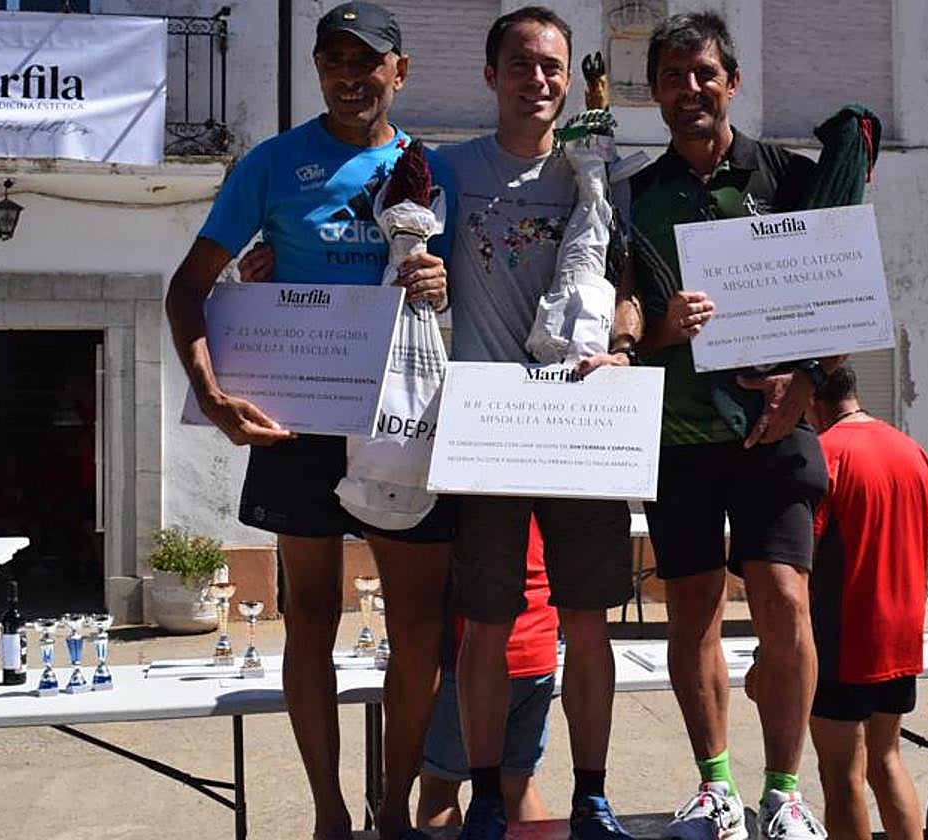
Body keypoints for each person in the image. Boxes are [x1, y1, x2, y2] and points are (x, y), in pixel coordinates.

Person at [165, 5, 456, 839]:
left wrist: (448, 289)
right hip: (300, 419)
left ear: (399, 72)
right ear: (318, 70)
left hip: (405, 421)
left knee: (417, 623)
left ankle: (394, 810)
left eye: (368, 61)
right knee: (314, 618)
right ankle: (330, 813)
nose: (349, 74)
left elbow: (486, 289)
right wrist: (215, 396)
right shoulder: (272, 163)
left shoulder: (433, 169)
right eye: (332, 58)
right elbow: (189, 287)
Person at [627, 12, 839, 839]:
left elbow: (841, 295)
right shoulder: (633, 197)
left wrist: (809, 378)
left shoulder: (790, 177)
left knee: (786, 599)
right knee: (693, 610)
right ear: (655, 92)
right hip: (678, 438)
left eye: (704, 74)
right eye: (674, 77)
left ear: (733, 82)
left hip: (774, 432)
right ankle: (716, 786)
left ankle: (784, 791)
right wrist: (660, 329)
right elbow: (618, 318)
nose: (690, 90)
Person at [436, 7, 641, 840]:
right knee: (485, 628)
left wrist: (624, 346)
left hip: (579, 425)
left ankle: (591, 796)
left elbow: (631, 291)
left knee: (585, 624)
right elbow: (378, 261)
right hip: (487, 427)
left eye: (553, 68)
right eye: (521, 66)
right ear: (491, 77)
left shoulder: (600, 173)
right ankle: (486, 796)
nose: (540, 81)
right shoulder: (445, 173)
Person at [801, 366, 928, 840]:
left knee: (841, 775)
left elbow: (803, 563)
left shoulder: (824, 453)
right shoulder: (911, 450)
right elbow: (927, 549)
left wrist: (772, 654)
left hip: (845, 632)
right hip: (902, 632)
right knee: (886, 760)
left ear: (812, 398)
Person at [416, 516, 556, 828]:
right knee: (518, 786)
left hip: (470, 654)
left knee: (440, 785)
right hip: (538, 643)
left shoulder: (467, 482)